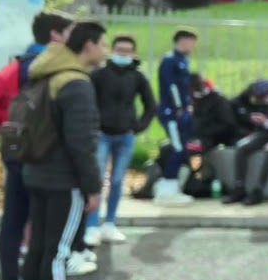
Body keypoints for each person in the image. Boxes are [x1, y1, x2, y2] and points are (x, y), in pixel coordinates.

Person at [18, 21, 109, 280]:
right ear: (88, 46)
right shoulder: (77, 84)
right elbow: (82, 143)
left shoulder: (45, 75)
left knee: (39, 250)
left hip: (37, 173)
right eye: (103, 44)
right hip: (64, 180)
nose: (106, 51)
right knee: (57, 253)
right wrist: (93, 187)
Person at [0, 11, 78, 280]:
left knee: (14, 217)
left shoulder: (16, 67)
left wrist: (6, 124)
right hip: (46, 155)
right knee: (45, 224)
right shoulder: (54, 70)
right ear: (56, 35)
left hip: (16, 151)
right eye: (70, 32)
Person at [85, 35, 157, 246]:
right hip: (102, 136)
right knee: (97, 180)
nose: (123, 53)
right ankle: (91, 225)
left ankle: (110, 223)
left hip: (125, 136)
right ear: (112, 51)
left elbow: (151, 105)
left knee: (117, 181)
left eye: (127, 50)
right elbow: (87, 102)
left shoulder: (137, 77)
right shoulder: (98, 75)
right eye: (119, 49)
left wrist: (138, 126)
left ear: (133, 53)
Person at [154, 29, 198, 205]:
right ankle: (167, 190)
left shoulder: (183, 60)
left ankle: (172, 186)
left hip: (182, 111)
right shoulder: (170, 60)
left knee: (182, 148)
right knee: (178, 148)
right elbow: (171, 86)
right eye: (191, 42)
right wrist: (179, 106)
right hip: (172, 113)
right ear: (183, 41)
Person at [188, 74, 245, 150]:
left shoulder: (218, 101)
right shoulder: (195, 101)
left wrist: (204, 132)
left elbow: (227, 124)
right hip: (200, 136)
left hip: (215, 138)